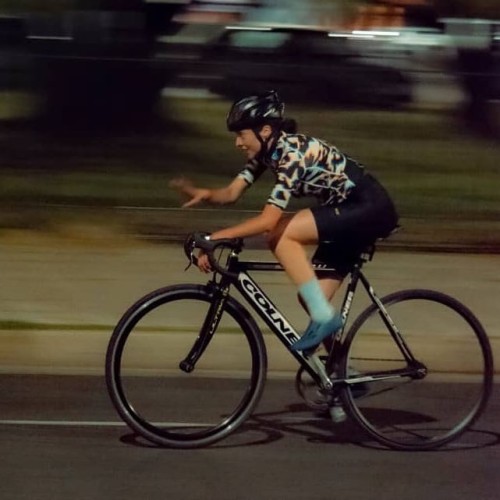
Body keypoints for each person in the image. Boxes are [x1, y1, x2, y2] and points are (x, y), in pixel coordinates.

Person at [170, 90, 398, 352]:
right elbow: (232, 193)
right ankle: (341, 374)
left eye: (241, 135)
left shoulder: (291, 154)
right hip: (348, 211)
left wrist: (215, 238)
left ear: (265, 130)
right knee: (311, 297)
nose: (238, 143)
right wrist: (205, 193)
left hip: (368, 207)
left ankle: (325, 319)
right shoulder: (267, 154)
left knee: (281, 233)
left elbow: (268, 221)